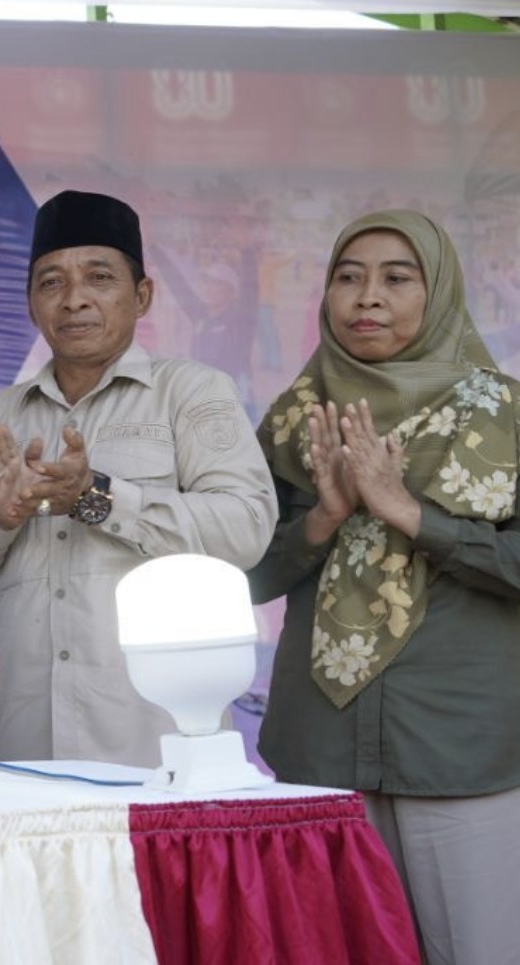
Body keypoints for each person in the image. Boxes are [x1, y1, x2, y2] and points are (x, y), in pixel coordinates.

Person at [0, 190, 275, 767]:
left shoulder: (191, 392)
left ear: (143, 295)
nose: (74, 299)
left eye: (99, 277)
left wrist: (97, 497)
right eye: (51, 282)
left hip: (159, 743)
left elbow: (247, 529)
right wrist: (0, 518)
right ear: (31, 304)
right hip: (32, 746)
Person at [249, 210, 520, 965]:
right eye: (348, 276)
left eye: (397, 278)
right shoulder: (294, 422)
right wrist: (324, 518)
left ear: (440, 294)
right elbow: (245, 575)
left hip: (460, 745)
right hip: (321, 746)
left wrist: (410, 514)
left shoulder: (506, 416)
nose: (367, 296)